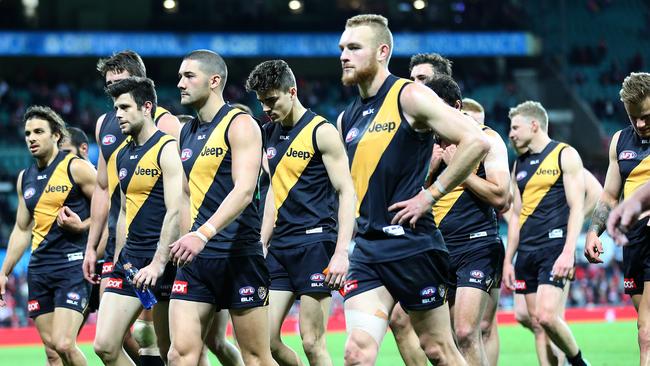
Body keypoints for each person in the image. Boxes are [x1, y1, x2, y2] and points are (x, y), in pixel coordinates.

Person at [337, 14, 490, 365]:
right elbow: (348, 190)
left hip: (413, 246)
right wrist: (342, 247)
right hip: (368, 250)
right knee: (356, 353)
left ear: (382, 52)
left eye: (354, 48)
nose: (344, 55)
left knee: (439, 351)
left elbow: (476, 140)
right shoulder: (347, 117)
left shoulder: (409, 95)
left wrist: (431, 194)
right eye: (342, 48)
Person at [167, 49, 275, 366]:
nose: (180, 84)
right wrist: (183, 242)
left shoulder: (241, 124)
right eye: (179, 77)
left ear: (214, 81)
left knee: (255, 357)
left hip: (239, 256)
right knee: (180, 355)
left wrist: (202, 233)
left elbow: (244, 191)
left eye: (188, 76)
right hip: (196, 261)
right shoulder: (185, 132)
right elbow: (185, 196)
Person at [245, 59, 355, 366]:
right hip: (280, 248)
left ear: (292, 92)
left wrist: (341, 252)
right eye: (261, 101)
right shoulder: (268, 134)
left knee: (311, 341)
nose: (266, 108)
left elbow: (347, 191)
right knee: (265, 341)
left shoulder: (322, 131)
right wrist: (262, 243)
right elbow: (273, 194)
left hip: (316, 244)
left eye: (271, 100)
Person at [83, 50, 181, 366]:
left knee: (162, 343)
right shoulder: (113, 135)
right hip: (125, 245)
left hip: (163, 247)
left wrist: (165, 256)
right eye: (109, 87)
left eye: (121, 86)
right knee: (111, 342)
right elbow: (106, 192)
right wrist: (96, 248)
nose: (115, 96)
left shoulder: (168, 128)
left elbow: (181, 201)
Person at [0, 106, 96, 366]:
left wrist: (82, 226)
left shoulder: (77, 168)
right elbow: (21, 229)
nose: (31, 137)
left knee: (65, 343)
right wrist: (4, 272)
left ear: (56, 135)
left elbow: (108, 209)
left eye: (39, 132)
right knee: (53, 352)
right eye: (28, 133)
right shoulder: (25, 179)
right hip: (40, 270)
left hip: (72, 266)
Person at [423, 75, 509, 366]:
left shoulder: (486, 139)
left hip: (477, 245)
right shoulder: (425, 144)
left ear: (456, 106)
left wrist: (457, 169)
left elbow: (501, 197)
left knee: (466, 331)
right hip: (435, 249)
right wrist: (431, 168)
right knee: (439, 342)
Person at [504, 101, 589, 366]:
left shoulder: (565, 154)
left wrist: (568, 251)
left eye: (515, 127)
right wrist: (509, 259)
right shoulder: (519, 164)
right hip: (526, 253)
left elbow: (577, 207)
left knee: (546, 316)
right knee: (538, 325)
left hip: (554, 249)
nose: (511, 133)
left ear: (534, 125)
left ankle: (578, 362)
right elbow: (516, 216)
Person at [585, 72, 650, 365]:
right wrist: (593, 231)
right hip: (633, 241)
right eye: (634, 116)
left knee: (646, 331)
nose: (640, 124)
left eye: (647, 115)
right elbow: (610, 196)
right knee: (645, 322)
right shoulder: (619, 141)